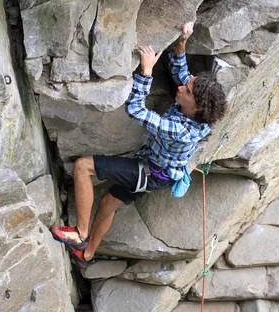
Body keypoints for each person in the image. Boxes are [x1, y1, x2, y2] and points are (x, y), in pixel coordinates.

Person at [50, 22, 227, 268]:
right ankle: (87, 256)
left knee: (83, 166)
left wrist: (146, 72)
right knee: (107, 204)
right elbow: (182, 73)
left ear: (196, 105)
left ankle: (80, 234)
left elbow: (135, 110)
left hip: (149, 172)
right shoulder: (198, 109)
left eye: (185, 90)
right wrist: (183, 41)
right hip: (157, 171)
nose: (180, 86)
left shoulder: (182, 132)